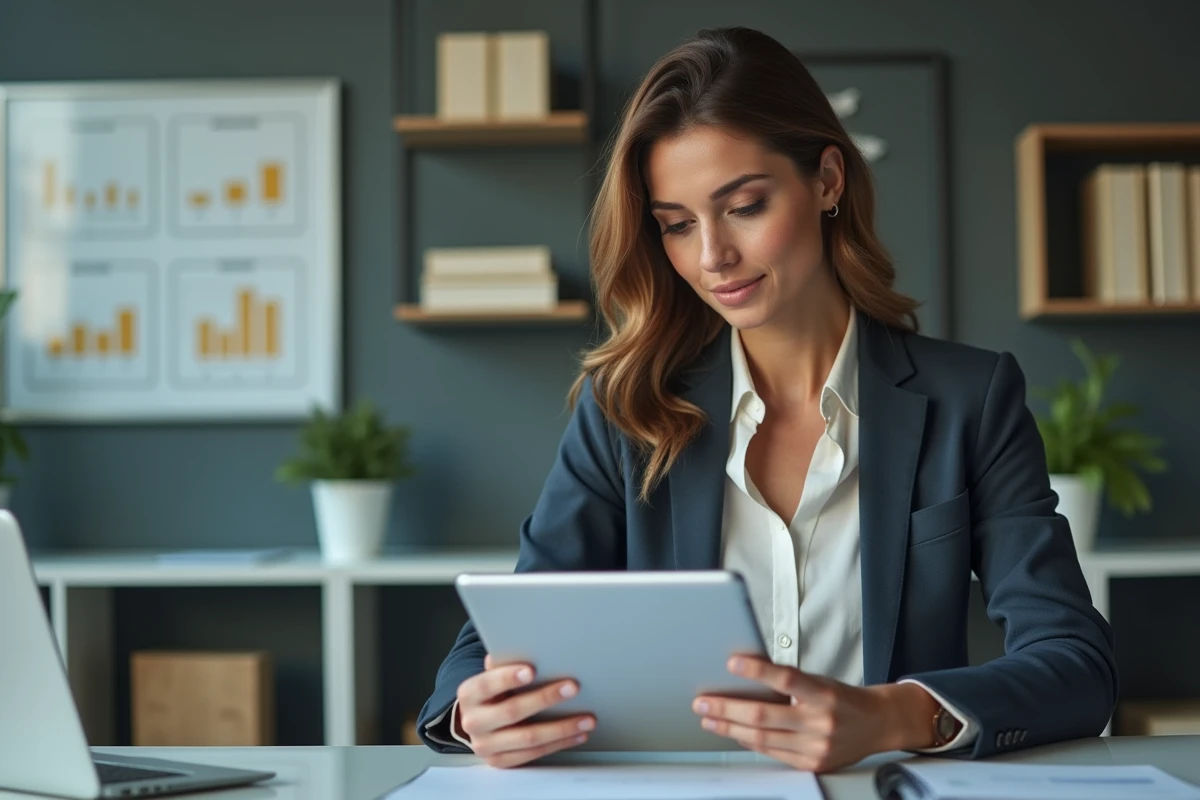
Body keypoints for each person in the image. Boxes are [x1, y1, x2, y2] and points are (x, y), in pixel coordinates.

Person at [416, 26, 1117, 773]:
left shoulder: (970, 399)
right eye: (677, 226)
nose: (712, 256)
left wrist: (891, 716)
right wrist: (474, 712)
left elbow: (1076, 663)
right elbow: (492, 645)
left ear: (827, 182)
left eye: (744, 206)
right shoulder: (626, 407)